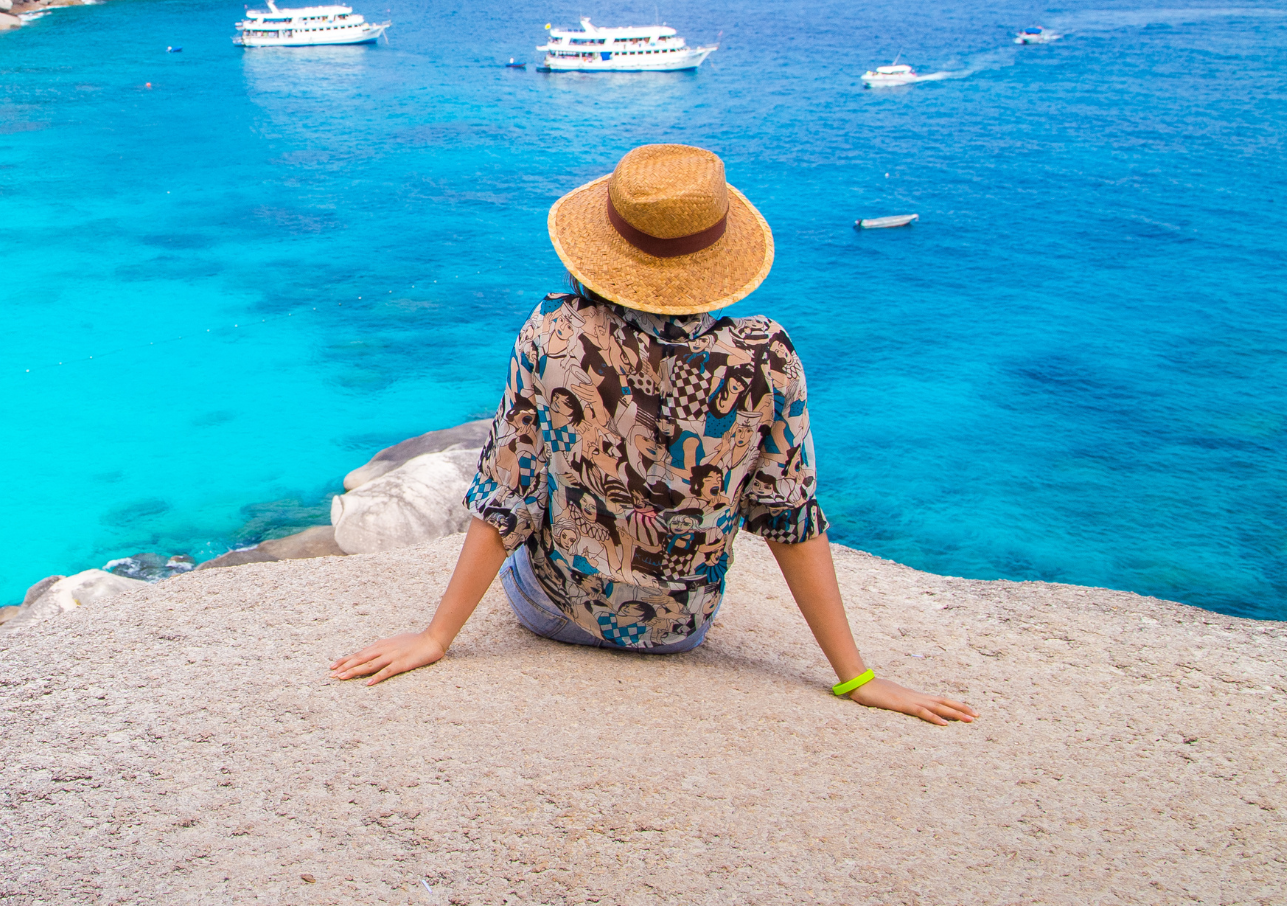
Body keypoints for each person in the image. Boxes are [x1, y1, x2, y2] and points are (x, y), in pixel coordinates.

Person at [331, 143, 977, 726]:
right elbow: (788, 515)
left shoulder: (552, 332)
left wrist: (436, 637)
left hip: (555, 611)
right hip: (681, 626)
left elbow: (509, 495)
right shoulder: (765, 354)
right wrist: (854, 675)